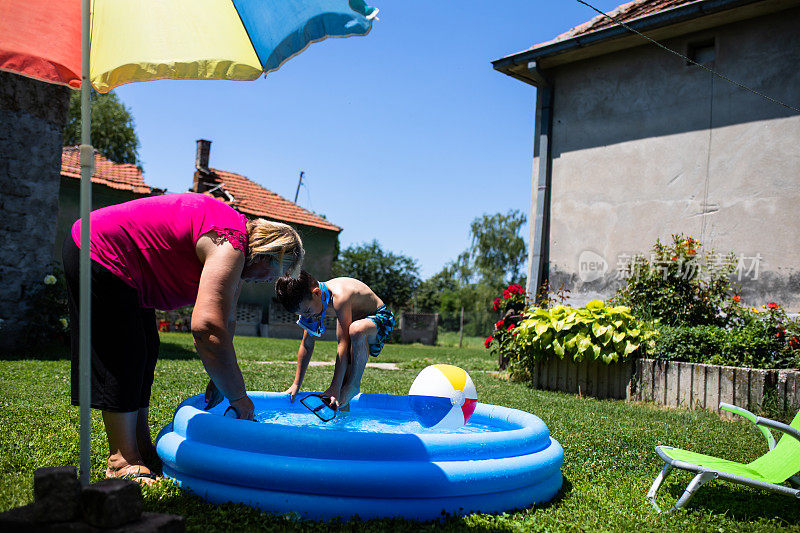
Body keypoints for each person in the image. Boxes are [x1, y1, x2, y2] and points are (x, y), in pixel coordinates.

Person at [62, 192, 304, 484]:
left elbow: (225, 321)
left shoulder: (236, 252)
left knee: (145, 350)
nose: (271, 281)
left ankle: (139, 449)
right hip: (99, 249)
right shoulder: (232, 243)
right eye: (278, 271)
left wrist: (220, 378)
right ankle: (121, 461)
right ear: (267, 252)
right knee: (125, 353)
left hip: (125, 267)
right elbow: (207, 328)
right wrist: (240, 398)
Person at [275, 270, 394, 410]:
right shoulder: (311, 304)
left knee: (356, 330)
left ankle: (354, 385)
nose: (307, 316)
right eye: (301, 314)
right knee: (340, 394)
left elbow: (342, 345)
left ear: (317, 293)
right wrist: (296, 384)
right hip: (354, 323)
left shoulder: (340, 297)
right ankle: (342, 425)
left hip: (379, 320)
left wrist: (333, 386)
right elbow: (307, 344)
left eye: (306, 312)